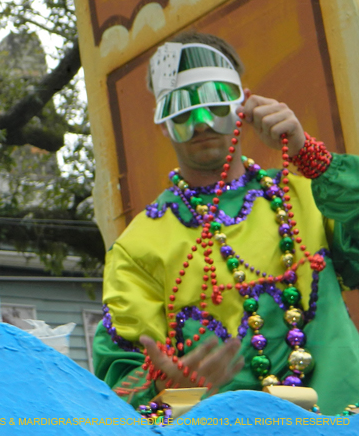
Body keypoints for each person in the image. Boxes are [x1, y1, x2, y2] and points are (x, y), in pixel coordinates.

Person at [92, 31, 359, 415]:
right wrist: (175, 391)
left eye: (215, 102)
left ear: (243, 104)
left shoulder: (306, 196)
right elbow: (119, 396)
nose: (201, 123)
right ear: (162, 123)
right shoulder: (138, 249)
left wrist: (309, 154)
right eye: (182, 111)